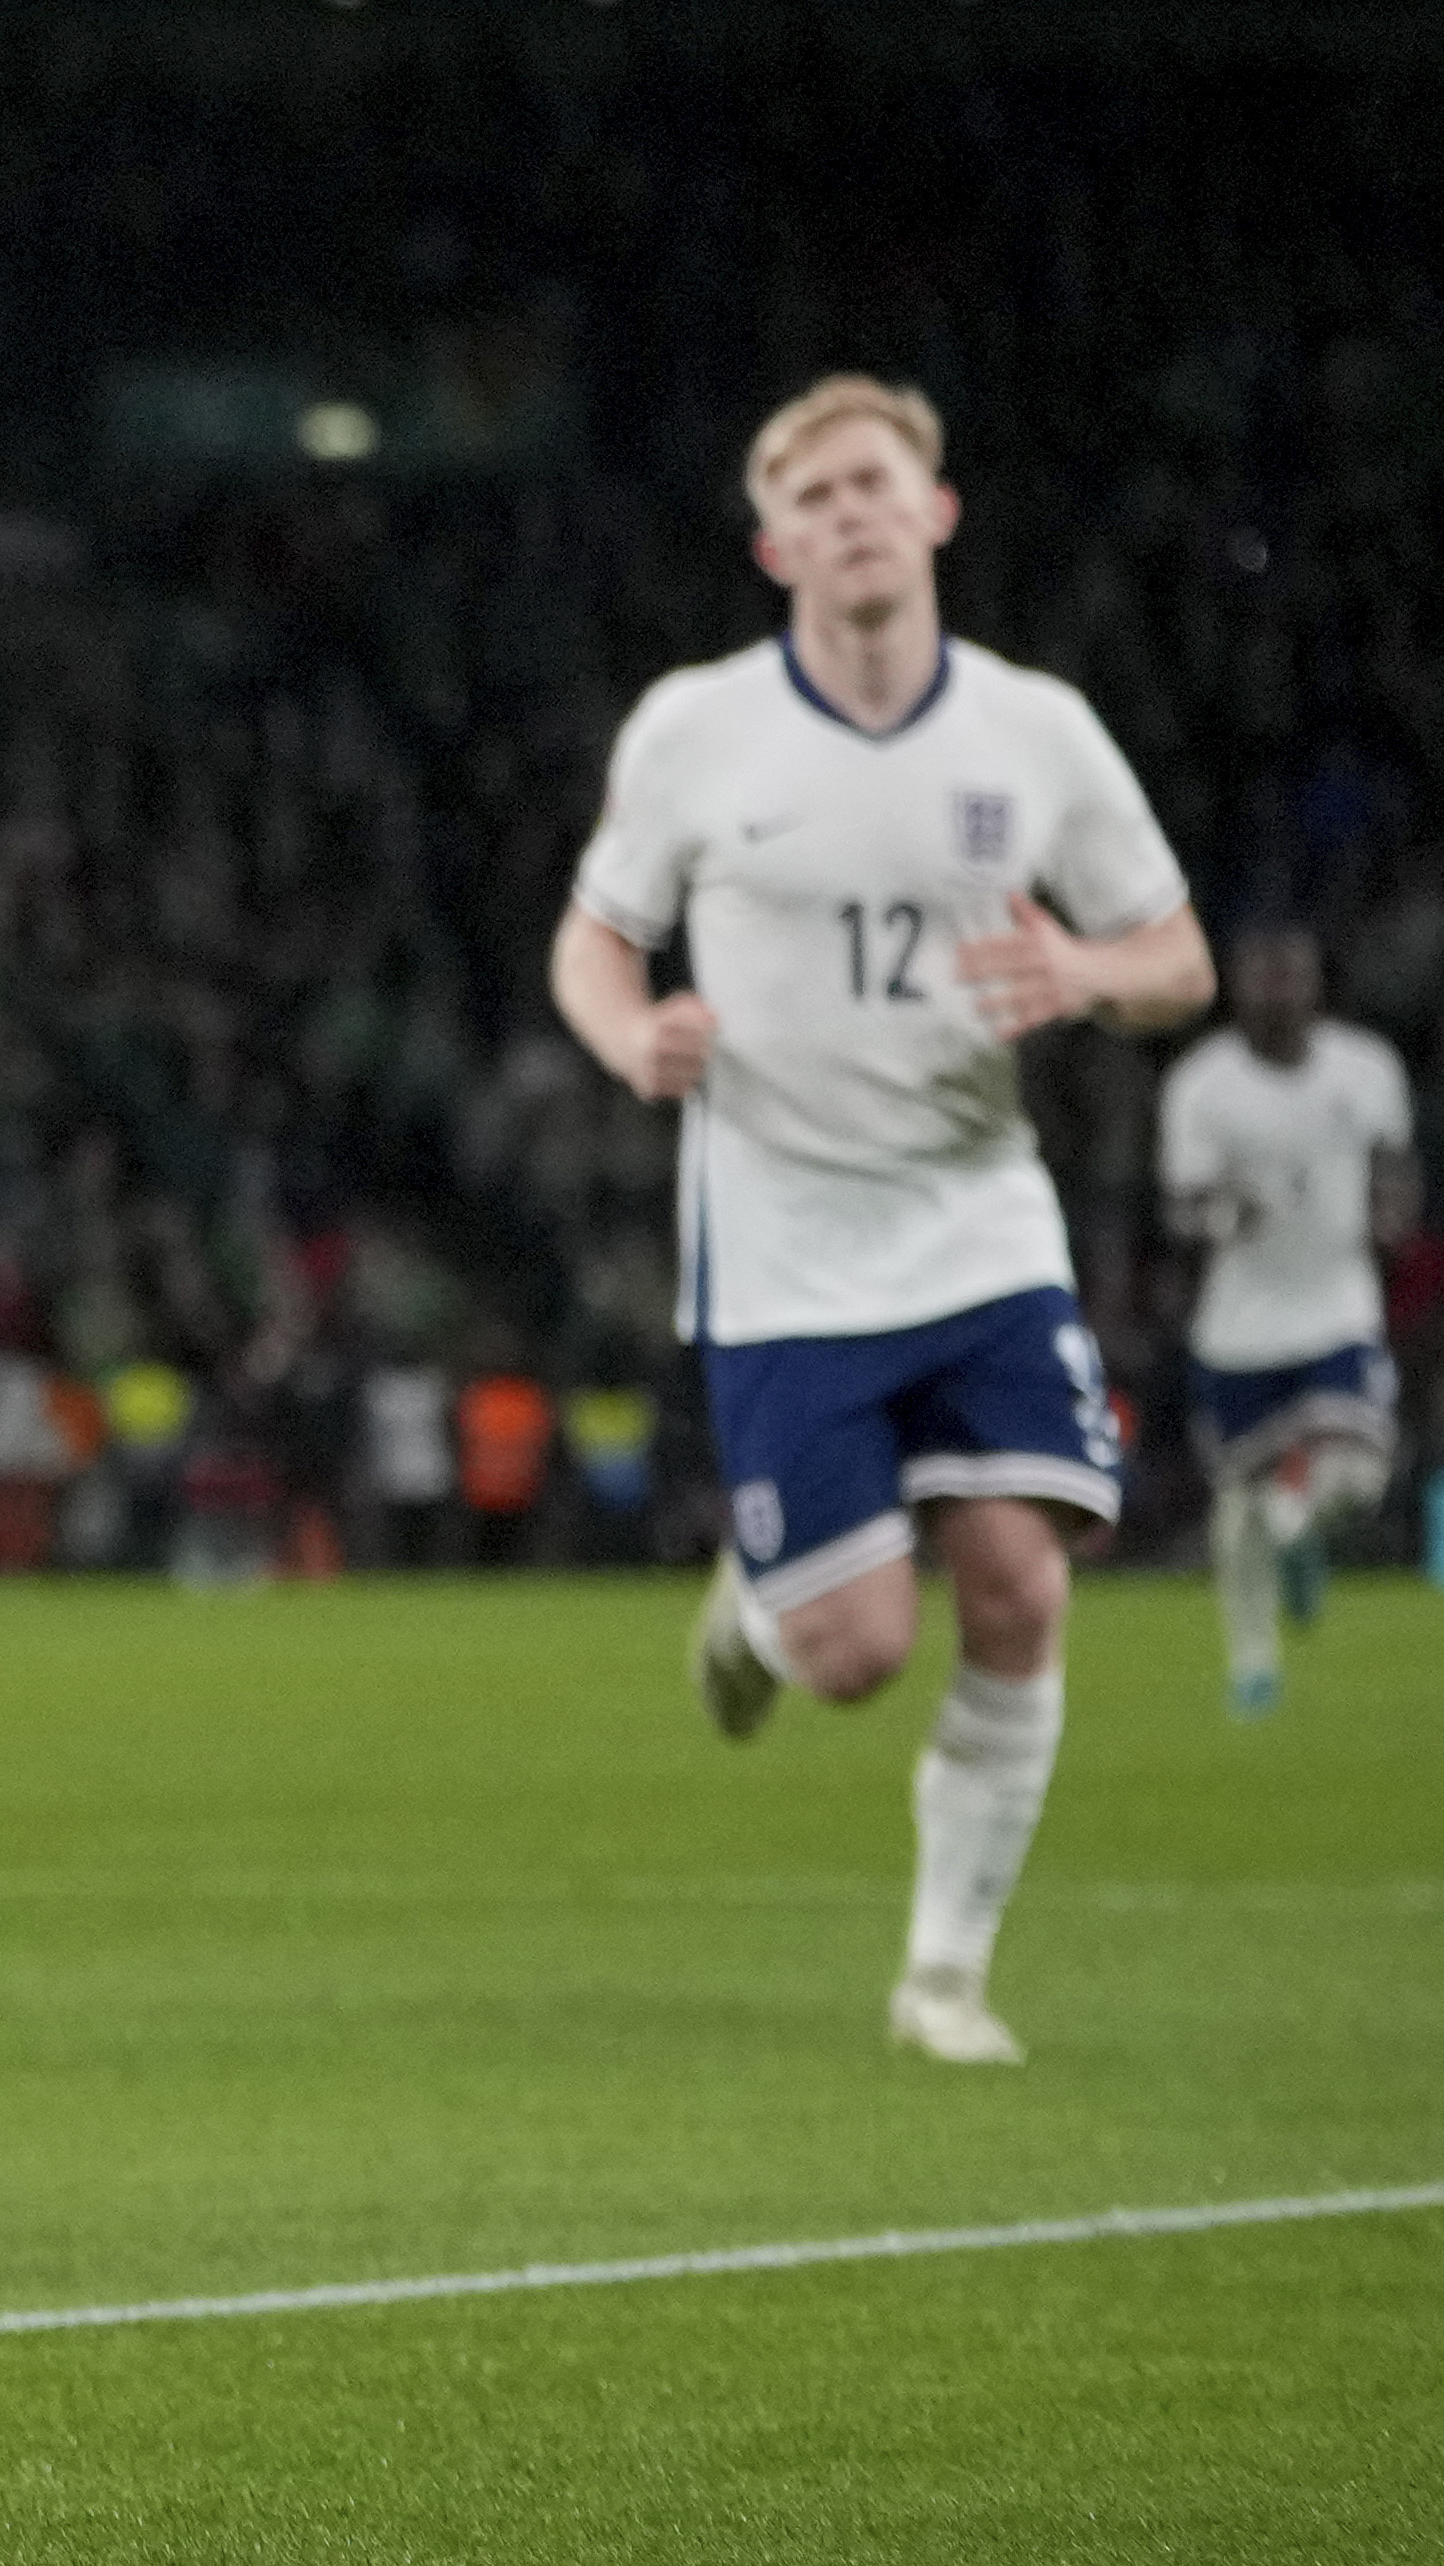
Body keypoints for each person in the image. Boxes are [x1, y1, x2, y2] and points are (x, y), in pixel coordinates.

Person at [552, 371, 1208, 2069]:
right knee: (852, 1650)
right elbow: (593, 934)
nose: (850, 509)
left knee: (1018, 1588)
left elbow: (1179, 955)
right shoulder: (695, 728)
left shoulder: (1035, 730)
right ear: (775, 543)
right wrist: (632, 1034)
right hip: (779, 1242)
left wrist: (1083, 966)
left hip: (979, 1222)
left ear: (934, 510)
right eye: (816, 492)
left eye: (875, 480)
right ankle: (757, 1605)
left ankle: (941, 1973)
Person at [1150, 921, 1410, 1715]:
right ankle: (1254, 1666)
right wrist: (1228, 1213)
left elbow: (1395, 1168)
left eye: (1289, 978)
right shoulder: (1203, 1085)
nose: (1277, 994)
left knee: (1359, 1470)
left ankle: (1302, 1529)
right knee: (1239, 1510)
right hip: (1242, 1323)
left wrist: (1392, 1215)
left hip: (1337, 1301)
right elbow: (1182, 1207)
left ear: (1314, 985)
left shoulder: (1364, 1070)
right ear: (1236, 989)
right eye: (1261, 979)